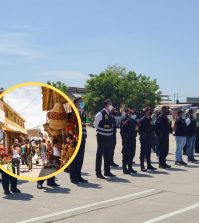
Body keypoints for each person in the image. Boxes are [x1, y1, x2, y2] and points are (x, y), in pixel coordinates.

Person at [94, 99, 116, 179]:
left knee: (108, 154)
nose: (111, 106)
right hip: (102, 136)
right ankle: (98, 172)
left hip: (109, 136)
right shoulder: (100, 113)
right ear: (106, 105)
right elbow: (95, 124)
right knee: (100, 154)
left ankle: (107, 171)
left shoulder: (110, 113)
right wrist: (102, 130)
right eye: (110, 104)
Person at [70, 97, 88, 184]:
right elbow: (71, 124)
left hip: (83, 136)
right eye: (80, 102)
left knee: (80, 157)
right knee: (75, 157)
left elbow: (86, 122)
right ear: (76, 103)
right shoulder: (73, 112)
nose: (82, 103)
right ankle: (73, 177)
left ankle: (78, 175)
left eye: (82, 102)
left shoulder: (83, 112)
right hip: (76, 136)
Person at [139, 107, 157, 172]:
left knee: (149, 152)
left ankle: (149, 165)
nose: (149, 112)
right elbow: (139, 130)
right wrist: (144, 134)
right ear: (145, 112)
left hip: (150, 137)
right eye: (148, 111)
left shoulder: (150, 119)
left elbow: (153, 126)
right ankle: (142, 166)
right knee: (143, 152)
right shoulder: (142, 120)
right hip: (144, 138)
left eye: (149, 111)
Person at [120, 108, 138, 174]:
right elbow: (122, 131)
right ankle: (124, 169)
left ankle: (130, 168)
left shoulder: (133, 121)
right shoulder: (124, 119)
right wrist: (124, 138)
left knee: (132, 154)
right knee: (125, 154)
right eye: (130, 113)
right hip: (127, 140)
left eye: (132, 113)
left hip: (133, 139)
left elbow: (137, 128)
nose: (130, 115)